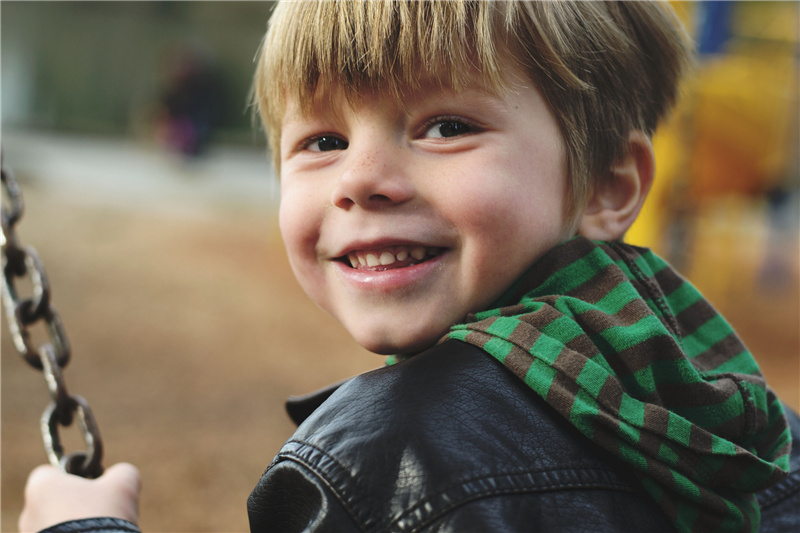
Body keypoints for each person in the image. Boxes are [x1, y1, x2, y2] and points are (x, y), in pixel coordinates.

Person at [19, 2, 800, 532]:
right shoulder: (724, 400)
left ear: (608, 184)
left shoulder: (388, 462)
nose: (361, 179)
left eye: (446, 126)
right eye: (323, 141)